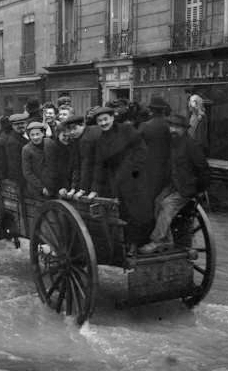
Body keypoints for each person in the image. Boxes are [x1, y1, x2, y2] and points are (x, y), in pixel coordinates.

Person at [140, 114, 210, 254]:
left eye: (177, 127)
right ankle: (167, 240)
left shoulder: (191, 146)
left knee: (167, 205)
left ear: (184, 129)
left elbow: (203, 169)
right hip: (174, 185)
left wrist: (198, 190)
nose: (173, 130)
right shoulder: (173, 144)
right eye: (171, 126)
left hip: (186, 188)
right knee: (157, 201)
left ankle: (157, 240)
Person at [89, 106, 153, 249]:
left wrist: (133, 170)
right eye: (100, 121)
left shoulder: (127, 130)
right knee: (124, 213)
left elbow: (141, 150)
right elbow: (99, 166)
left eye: (106, 119)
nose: (103, 123)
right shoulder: (101, 140)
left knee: (140, 211)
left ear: (112, 118)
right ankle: (130, 245)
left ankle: (142, 243)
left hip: (136, 178)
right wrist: (95, 188)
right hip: (117, 182)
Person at [139, 96, 172, 202]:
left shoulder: (144, 126)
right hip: (168, 167)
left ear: (151, 110)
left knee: (149, 195)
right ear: (163, 110)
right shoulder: (170, 126)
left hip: (148, 167)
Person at [62, 111, 101, 198]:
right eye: (69, 129)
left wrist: (85, 189)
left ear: (82, 125)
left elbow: (88, 165)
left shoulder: (87, 139)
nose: (72, 132)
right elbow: (77, 165)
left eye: (74, 128)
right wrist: (74, 188)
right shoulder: (76, 139)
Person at [0, 112, 29, 189]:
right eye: (17, 124)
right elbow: (15, 166)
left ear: (26, 124)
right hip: (20, 181)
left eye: (22, 123)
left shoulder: (27, 135)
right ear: (12, 126)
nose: (20, 126)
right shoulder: (13, 142)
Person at [22, 122, 54, 198]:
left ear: (43, 133)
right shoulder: (26, 149)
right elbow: (27, 172)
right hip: (37, 189)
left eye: (37, 134)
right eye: (32, 135)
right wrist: (42, 188)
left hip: (52, 184)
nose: (35, 137)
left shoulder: (49, 143)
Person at [46, 122, 77, 196]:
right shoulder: (53, 148)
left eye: (69, 136)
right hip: (60, 185)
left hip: (72, 183)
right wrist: (60, 187)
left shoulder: (73, 145)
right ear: (58, 134)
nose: (67, 138)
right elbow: (53, 170)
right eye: (64, 136)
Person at [186, 87, 208, 154]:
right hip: (202, 116)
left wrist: (198, 114)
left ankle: (194, 152)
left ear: (188, 93)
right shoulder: (199, 98)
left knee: (193, 134)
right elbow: (203, 108)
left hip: (196, 117)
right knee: (201, 135)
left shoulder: (192, 98)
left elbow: (194, 106)